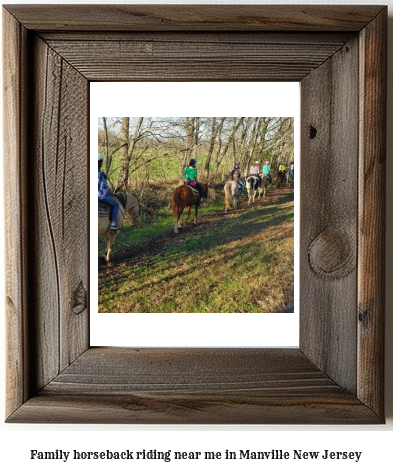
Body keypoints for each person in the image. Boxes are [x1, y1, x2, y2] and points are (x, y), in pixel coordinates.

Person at [98, 153, 120, 231]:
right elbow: (103, 187)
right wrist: (109, 192)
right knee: (116, 205)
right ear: (100, 163)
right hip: (101, 196)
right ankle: (113, 224)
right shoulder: (100, 174)